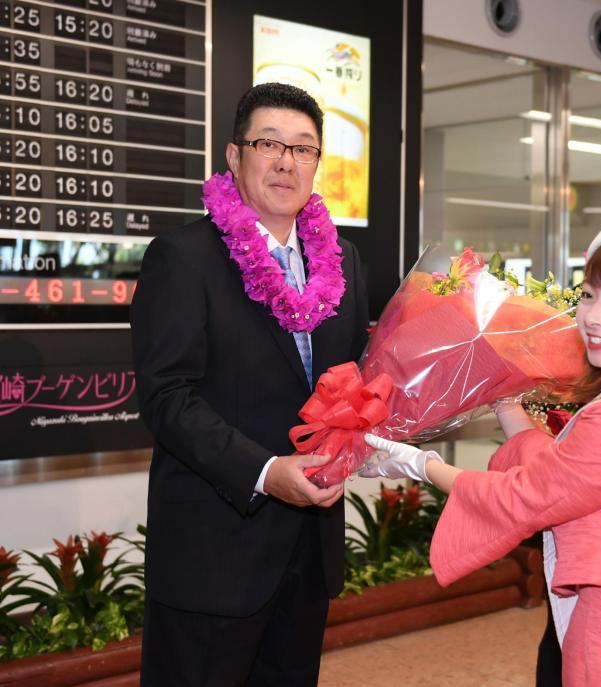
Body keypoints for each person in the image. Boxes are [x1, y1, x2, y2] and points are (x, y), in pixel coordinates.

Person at [362, 211, 601, 686]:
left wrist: (418, 462)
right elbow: (565, 477)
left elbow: (525, 497)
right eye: (589, 294)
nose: (593, 316)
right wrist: (508, 398)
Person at [130, 82, 369, 686]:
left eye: (304, 148)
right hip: (215, 553)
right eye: (269, 143)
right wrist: (266, 471)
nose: (287, 161)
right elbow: (166, 396)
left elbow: (357, 379)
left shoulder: (343, 258)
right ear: (235, 157)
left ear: (318, 164)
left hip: (308, 548)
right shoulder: (183, 257)